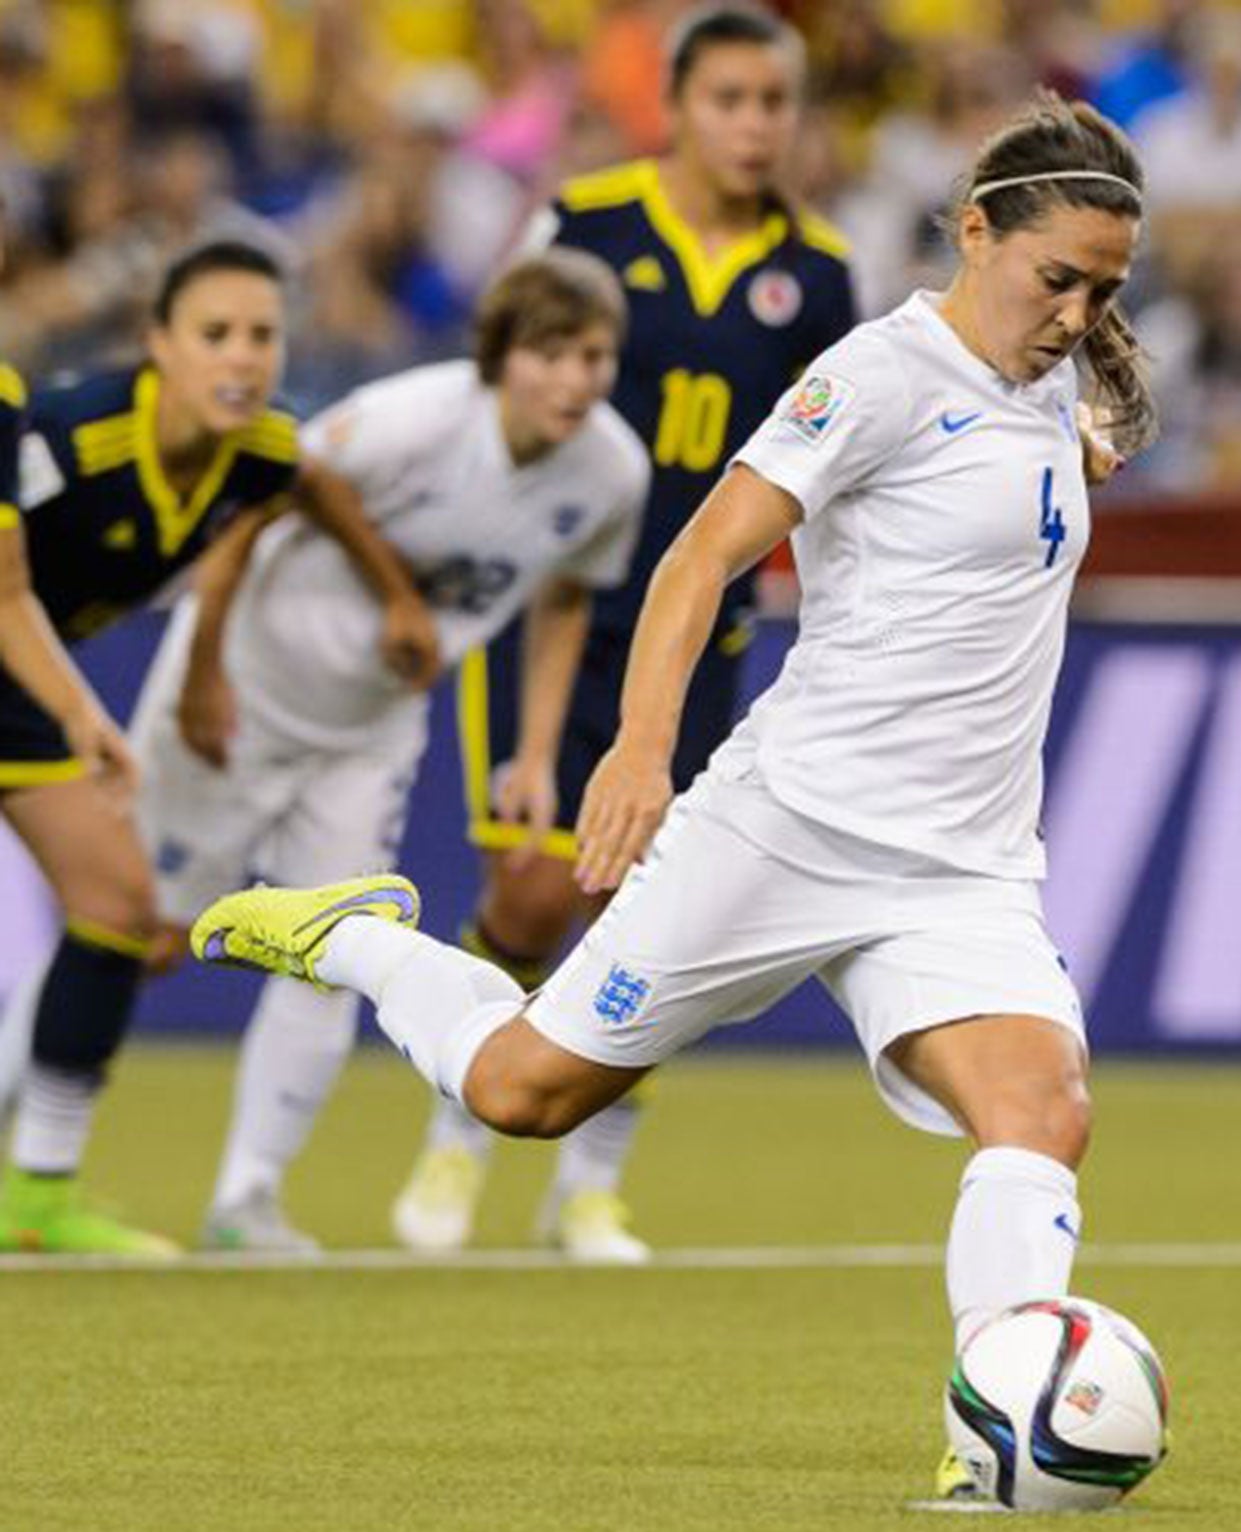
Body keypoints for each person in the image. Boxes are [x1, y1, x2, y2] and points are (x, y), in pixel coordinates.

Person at [192, 90, 1148, 1504]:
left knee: (1043, 1111)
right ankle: (350, 936)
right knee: (528, 1093)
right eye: (1055, 277)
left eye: (1104, 288)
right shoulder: (876, 376)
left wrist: (1100, 381)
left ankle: (991, 1430)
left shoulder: (1067, 383)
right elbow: (698, 557)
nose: (1074, 311)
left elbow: (1102, 409)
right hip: (786, 827)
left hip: (963, 868)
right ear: (973, 234)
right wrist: (641, 751)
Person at [388, 2, 856, 1264]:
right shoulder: (586, 223)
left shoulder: (815, 275)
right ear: (681, 105)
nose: (755, 126)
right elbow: (499, 379)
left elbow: (835, 454)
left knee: (657, 912)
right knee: (532, 894)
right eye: (731, 100)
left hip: (697, 629)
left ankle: (591, 1182)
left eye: (775, 103)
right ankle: (458, 1138)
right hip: (558, 603)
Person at [127, 250, 648, 1254]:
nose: (578, 380)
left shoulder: (611, 470)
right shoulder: (415, 417)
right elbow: (266, 488)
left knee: (330, 950)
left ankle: (247, 1199)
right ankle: (31, 1163)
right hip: (245, 691)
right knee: (132, 936)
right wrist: (201, 665)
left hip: (370, 726)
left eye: (596, 357)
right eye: (554, 354)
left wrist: (536, 751)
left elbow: (565, 600)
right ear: (501, 355)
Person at [0, 238, 435, 1256]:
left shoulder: (259, 451)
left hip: (22, 680)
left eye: (262, 336)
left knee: (115, 910)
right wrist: (82, 714)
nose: (242, 359)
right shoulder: (67, 441)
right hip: (24, 667)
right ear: (157, 346)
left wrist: (395, 591)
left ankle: (37, 1195)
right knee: (117, 907)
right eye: (214, 337)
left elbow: (310, 484)